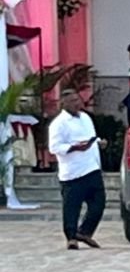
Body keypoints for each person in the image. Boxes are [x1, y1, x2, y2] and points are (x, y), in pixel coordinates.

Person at [47, 86, 104, 250]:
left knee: (98, 203)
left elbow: (90, 137)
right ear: (63, 104)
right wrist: (74, 148)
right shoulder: (59, 124)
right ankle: (71, 237)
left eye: (77, 100)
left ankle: (85, 232)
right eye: (72, 101)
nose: (76, 103)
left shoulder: (86, 118)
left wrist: (99, 142)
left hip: (91, 166)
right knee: (72, 206)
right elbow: (54, 147)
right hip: (73, 171)